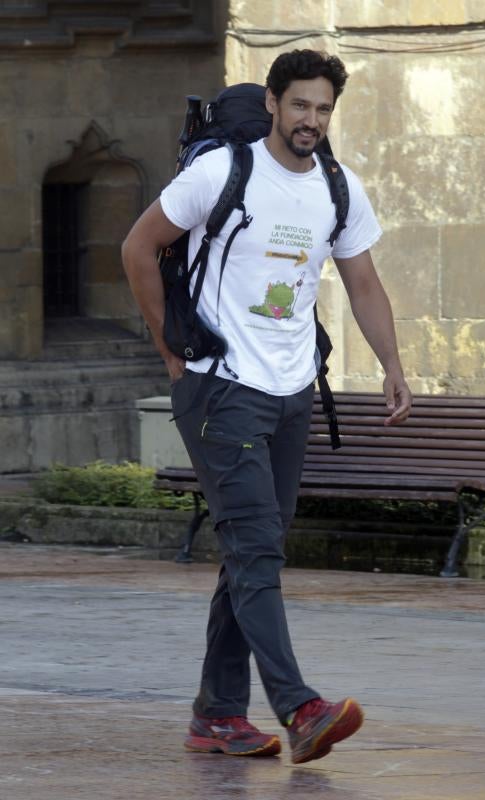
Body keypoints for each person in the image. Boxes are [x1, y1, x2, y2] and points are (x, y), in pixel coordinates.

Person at [122, 49, 412, 764]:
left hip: (290, 394)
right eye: (300, 106)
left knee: (252, 550)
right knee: (255, 546)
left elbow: (364, 284)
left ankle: (217, 715)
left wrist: (393, 365)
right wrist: (172, 355)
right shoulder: (222, 173)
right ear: (275, 104)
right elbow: (137, 246)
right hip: (221, 389)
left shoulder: (338, 188)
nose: (311, 120)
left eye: (323, 109)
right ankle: (299, 707)